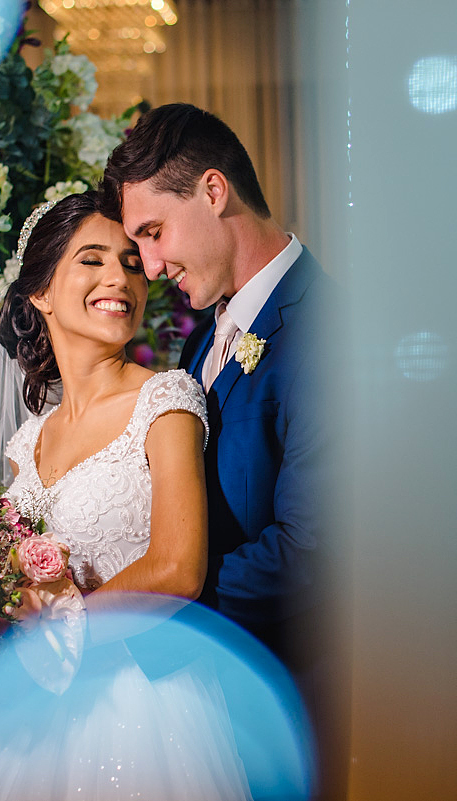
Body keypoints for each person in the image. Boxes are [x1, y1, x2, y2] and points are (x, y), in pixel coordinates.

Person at [0, 190, 254, 800]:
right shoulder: (26, 442)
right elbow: (9, 578)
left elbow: (177, 570)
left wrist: (46, 637)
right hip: (35, 711)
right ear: (39, 292)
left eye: (129, 261)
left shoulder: (166, 401)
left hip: (144, 706)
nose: (117, 278)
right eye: (91, 259)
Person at [102, 103, 343, 799]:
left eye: (153, 232)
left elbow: (311, 550)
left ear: (214, 191)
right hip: (208, 713)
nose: (148, 265)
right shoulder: (206, 336)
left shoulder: (326, 328)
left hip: (280, 707)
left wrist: (149, 605)